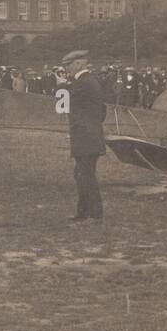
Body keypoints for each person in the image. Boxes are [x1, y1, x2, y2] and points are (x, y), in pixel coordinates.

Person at [66, 56, 106, 224]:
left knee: (85, 175)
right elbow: (102, 111)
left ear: (78, 64)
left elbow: (62, 106)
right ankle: (84, 212)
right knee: (82, 174)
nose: (67, 69)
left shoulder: (82, 83)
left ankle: (93, 214)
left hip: (85, 136)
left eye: (68, 65)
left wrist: (61, 85)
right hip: (90, 134)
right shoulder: (90, 82)